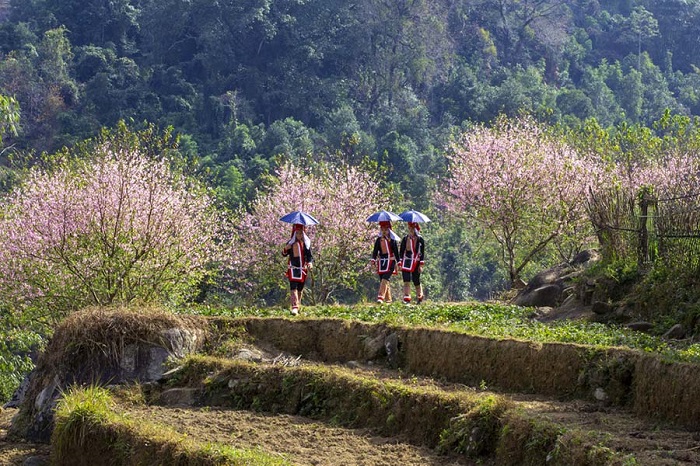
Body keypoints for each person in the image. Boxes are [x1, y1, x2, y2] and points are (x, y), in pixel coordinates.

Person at [282, 223, 313, 315]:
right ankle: (294, 306)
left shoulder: (306, 244)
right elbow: (284, 254)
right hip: (293, 268)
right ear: (294, 234)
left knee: (300, 288)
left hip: (302, 269)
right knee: (293, 287)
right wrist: (285, 249)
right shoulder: (290, 243)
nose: (299, 235)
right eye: (297, 233)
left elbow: (309, 256)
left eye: (300, 233)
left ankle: (298, 305)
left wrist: (309, 263)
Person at [371, 220, 399, 304]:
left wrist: (399, 262)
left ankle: (380, 297)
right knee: (383, 280)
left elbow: (396, 253)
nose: (384, 231)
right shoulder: (378, 240)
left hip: (390, 261)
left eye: (385, 229)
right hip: (382, 262)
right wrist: (373, 260)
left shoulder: (392, 241)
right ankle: (388, 300)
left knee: (385, 278)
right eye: (382, 229)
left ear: (389, 230)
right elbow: (375, 251)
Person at [399, 222, 425, 304]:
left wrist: (421, 265)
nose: (410, 230)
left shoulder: (420, 240)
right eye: (409, 228)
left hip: (416, 261)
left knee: (416, 280)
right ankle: (407, 298)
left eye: (412, 228)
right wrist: (400, 263)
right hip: (406, 261)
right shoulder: (405, 239)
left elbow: (422, 254)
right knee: (406, 279)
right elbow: (401, 251)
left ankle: (420, 296)